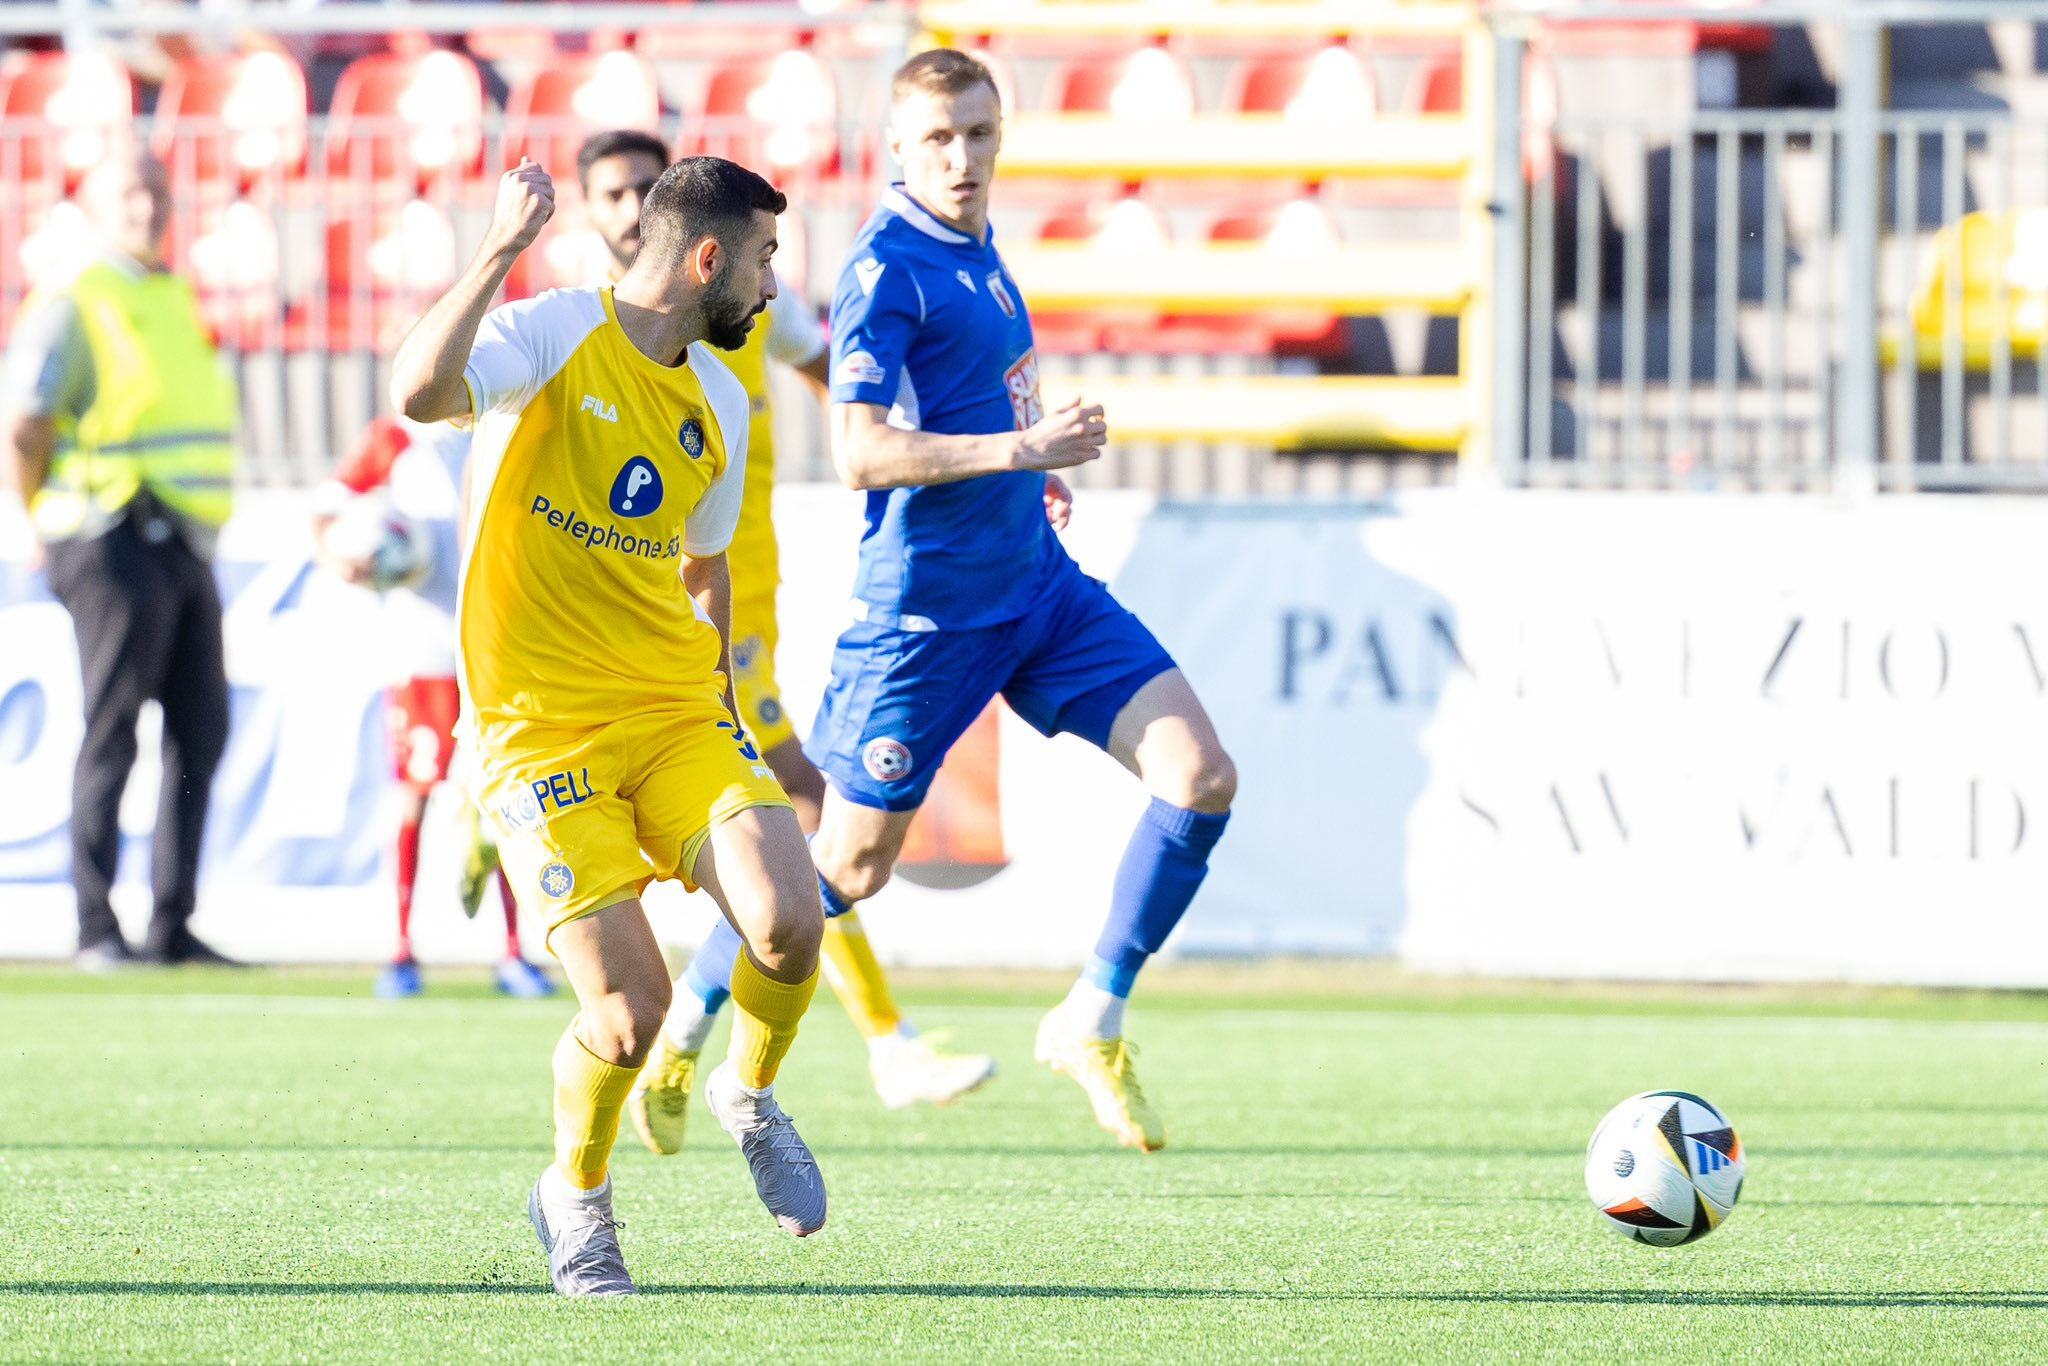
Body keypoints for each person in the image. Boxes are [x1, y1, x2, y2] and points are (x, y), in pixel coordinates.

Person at [691, 49, 1240, 1154]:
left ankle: (1088, 1017)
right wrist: (1019, 447)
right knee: (844, 867)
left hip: (1035, 591)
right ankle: (680, 1034)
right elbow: (859, 450)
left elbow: (971, 397)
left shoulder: (982, 250)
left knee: (1200, 776)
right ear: (898, 145)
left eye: (979, 135)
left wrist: (1029, 477)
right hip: (924, 620)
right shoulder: (882, 269)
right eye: (939, 138)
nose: (962, 158)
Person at [390, 154, 829, 1297]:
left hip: (676, 711)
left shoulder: (724, 400)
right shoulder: (548, 334)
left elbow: (702, 570)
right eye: (764, 260)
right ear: (705, 259)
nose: (773, 286)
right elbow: (417, 393)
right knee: (628, 1015)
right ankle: (576, 1199)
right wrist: (494, 248)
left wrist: (727, 718)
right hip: (539, 733)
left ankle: (746, 1088)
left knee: (789, 916)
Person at [557, 130, 997, 1154]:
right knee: (797, 816)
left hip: (741, 599)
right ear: (589, 213)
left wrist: (879, 457)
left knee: (790, 820)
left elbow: (829, 371)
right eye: (609, 194)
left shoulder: (742, 298)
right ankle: (868, 1042)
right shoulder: (587, 327)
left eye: (640, 188)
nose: (626, 208)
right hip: (652, 614)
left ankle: (693, 1039)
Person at [1, 146, 239, 971]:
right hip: (107, 534)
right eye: (130, 193)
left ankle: (172, 924)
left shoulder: (167, 295)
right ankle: (96, 927)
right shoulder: (74, 298)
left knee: (199, 732)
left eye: (159, 191)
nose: (149, 206)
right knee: (112, 732)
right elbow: (26, 423)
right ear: (95, 208)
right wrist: (33, 522)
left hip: (179, 536)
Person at [312, 414, 554, 999]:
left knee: (505, 800)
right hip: (421, 649)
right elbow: (325, 514)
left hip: (497, 647)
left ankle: (514, 953)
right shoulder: (393, 439)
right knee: (415, 795)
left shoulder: (510, 418)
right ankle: (400, 951)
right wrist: (342, 555)